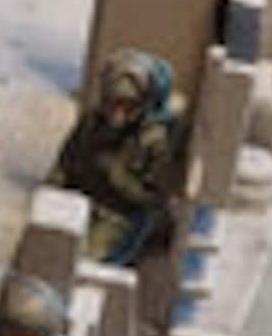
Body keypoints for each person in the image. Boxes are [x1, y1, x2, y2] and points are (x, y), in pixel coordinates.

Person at [49, 48, 186, 265]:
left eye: (128, 106)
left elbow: (155, 198)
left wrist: (118, 175)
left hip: (118, 216)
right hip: (79, 200)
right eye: (114, 103)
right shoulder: (93, 121)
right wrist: (52, 191)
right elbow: (66, 159)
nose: (118, 115)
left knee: (82, 261)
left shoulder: (154, 141)